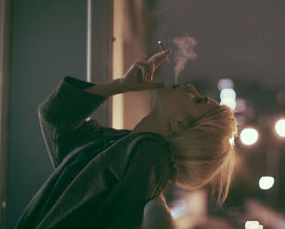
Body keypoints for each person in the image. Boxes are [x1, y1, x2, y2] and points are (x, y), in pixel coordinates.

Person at [16, 49, 237, 229]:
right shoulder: (124, 143)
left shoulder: (148, 155)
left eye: (197, 101)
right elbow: (55, 117)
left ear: (179, 125)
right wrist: (121, 85)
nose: (190, 88)